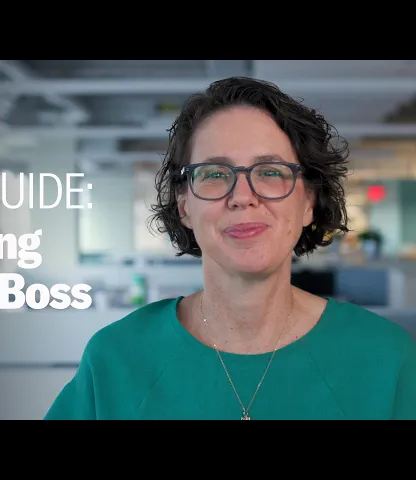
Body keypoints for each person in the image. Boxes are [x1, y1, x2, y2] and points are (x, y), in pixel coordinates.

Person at [44, 76, 416, 420]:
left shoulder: (385, 359)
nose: (242, 196)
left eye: (270, 172)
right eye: (214, 174)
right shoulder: (116, 358)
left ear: (307, 202)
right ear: (184, 206)